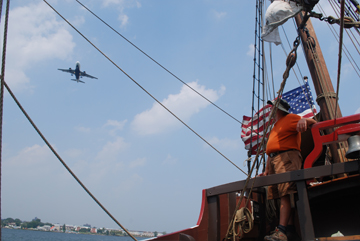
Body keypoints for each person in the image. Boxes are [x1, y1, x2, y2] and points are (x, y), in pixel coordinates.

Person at [262, 98, 316, 241]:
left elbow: (314, 123)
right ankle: (290, 229)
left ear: (278, 109)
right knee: (282, 195)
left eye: (272, 107)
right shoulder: (275, 125)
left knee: (286, 194)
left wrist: (304, 121)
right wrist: (267, 170)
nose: (270, 110)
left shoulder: (290, 118)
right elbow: (270, 150)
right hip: (275, 160)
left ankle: (281, 231)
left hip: (286, 157)